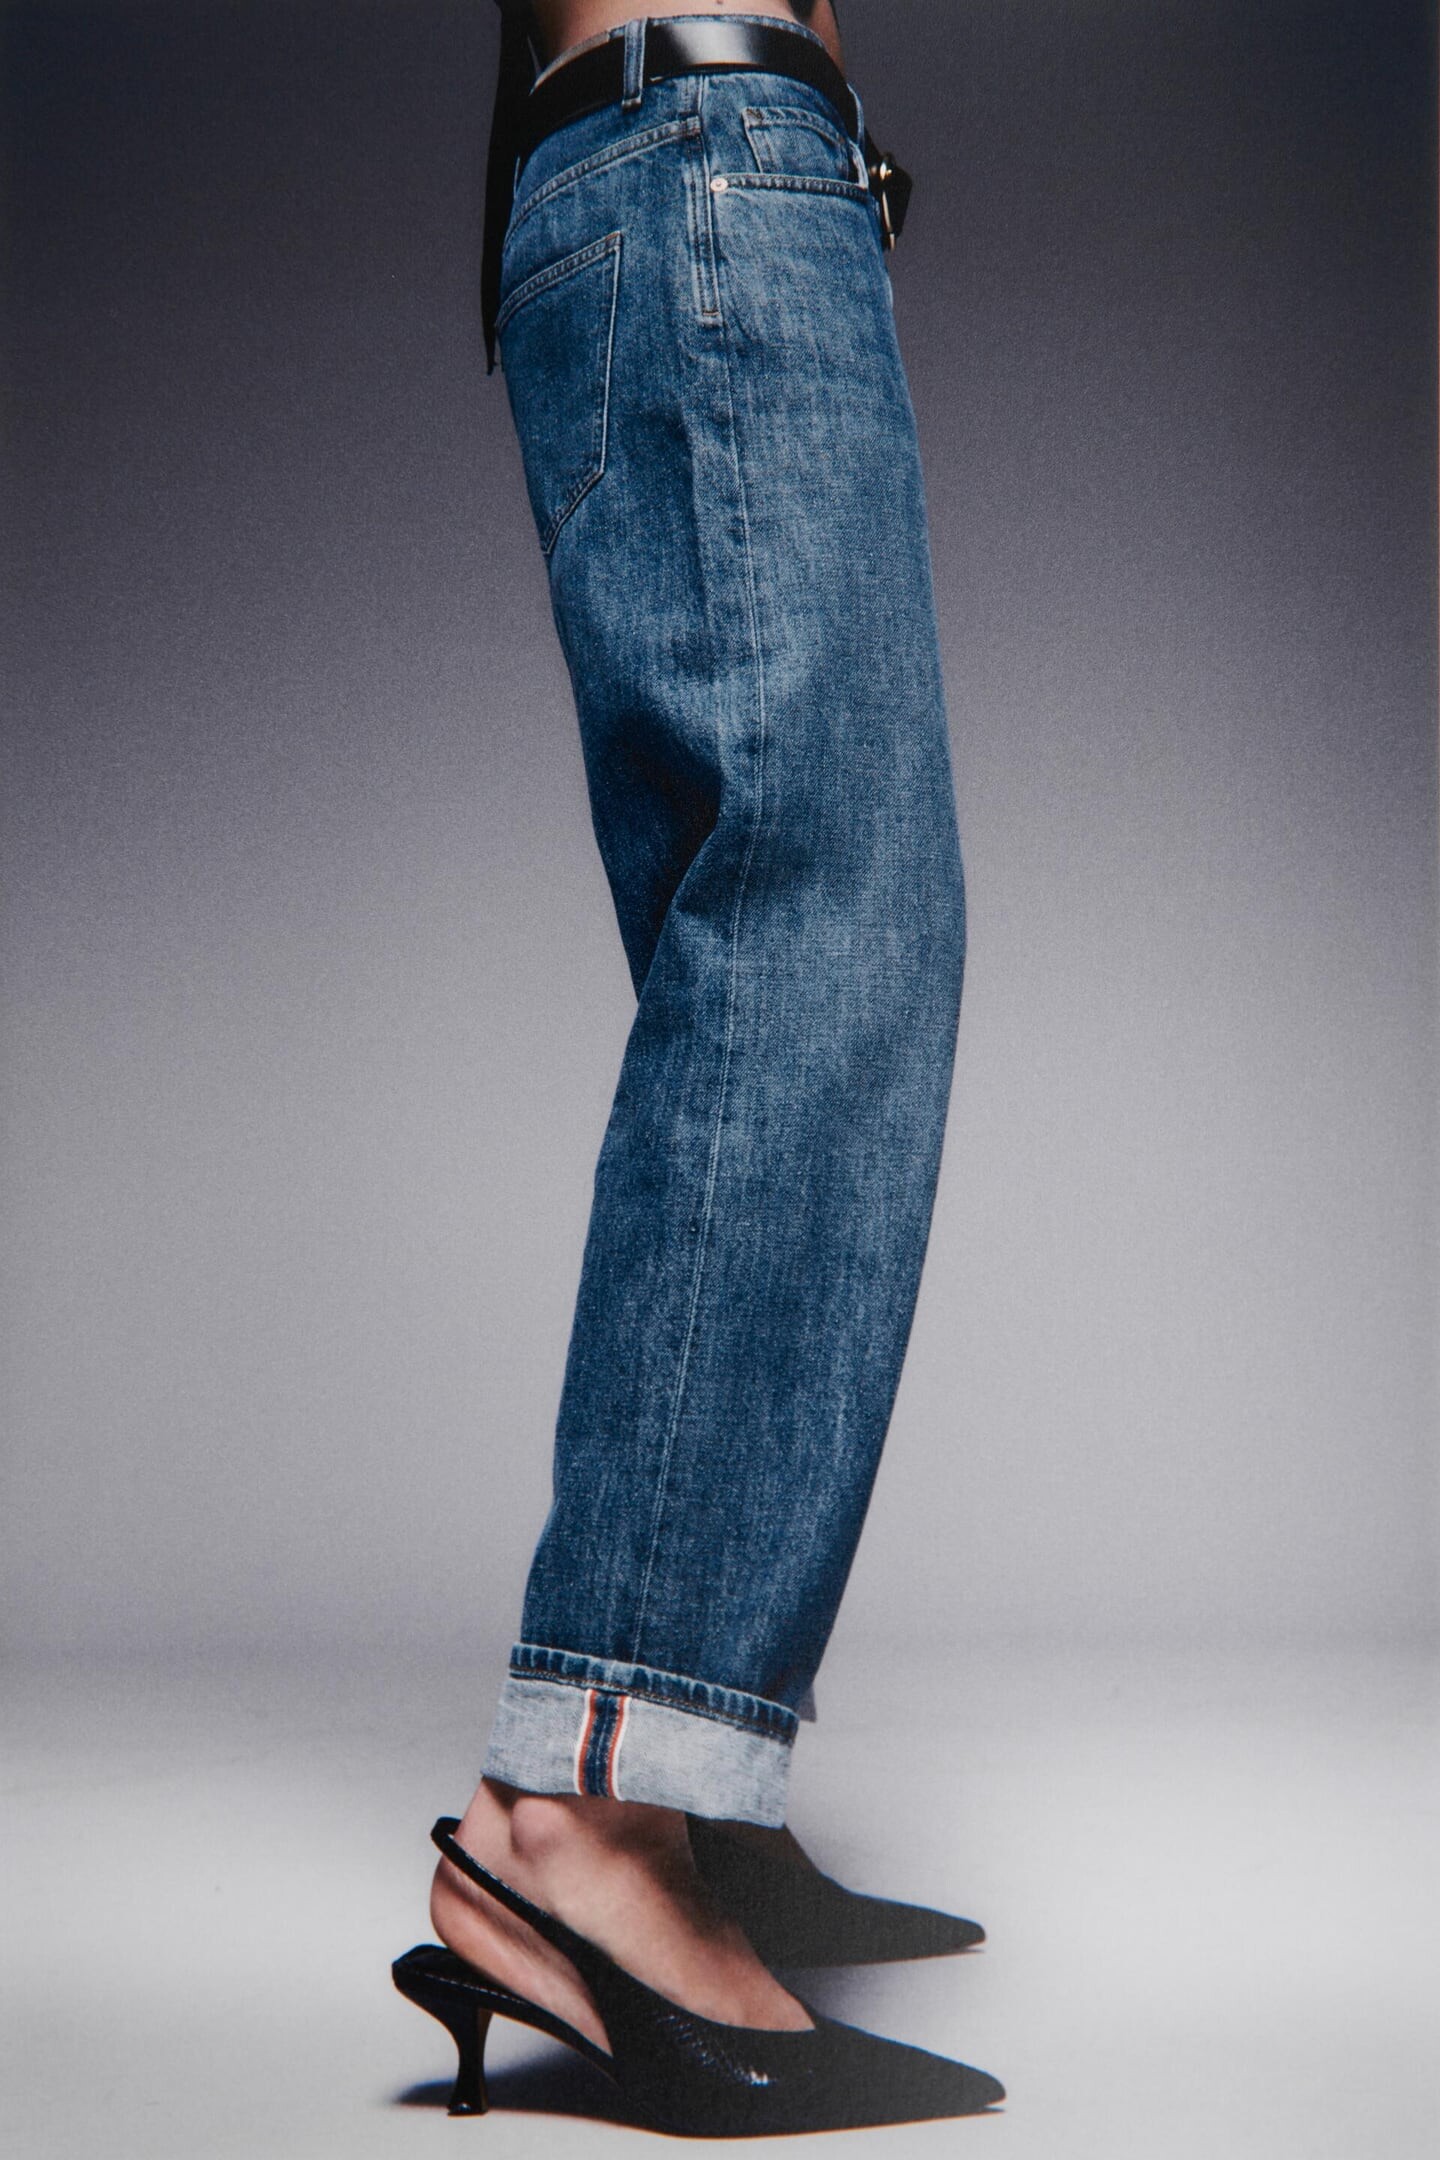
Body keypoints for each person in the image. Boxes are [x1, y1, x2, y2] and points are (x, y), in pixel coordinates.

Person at [392, 1, 1004, 2133]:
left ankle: (677, 1787)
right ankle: (587, 1813)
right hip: (709, 159)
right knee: (820, 937)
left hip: (674, 167)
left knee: (766, 941)